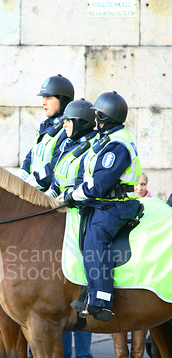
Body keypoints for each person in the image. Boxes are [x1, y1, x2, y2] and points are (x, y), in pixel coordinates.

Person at [62, 91, 142, 322]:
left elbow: (99, 184)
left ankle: (101, 302)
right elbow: (85, 173)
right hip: (102, 202)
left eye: (97, 114)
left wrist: (74, 195)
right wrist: (71, 193)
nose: (94, 119)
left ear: (104, 118)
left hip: (115, 206)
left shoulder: (117, 145)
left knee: (96, 239)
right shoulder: (104, 140)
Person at [45, 98, 98, 358]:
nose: (63, 124)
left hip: (78, 216)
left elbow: (83, 185)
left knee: (81, 282)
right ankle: (63, 356)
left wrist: (64, 198)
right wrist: (44, 199)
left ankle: (84, 357)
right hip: (58, 215)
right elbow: (56, 181)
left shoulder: (91, 149)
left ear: (79, 124)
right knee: (56, 291)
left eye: (68, 120)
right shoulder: (66, 147)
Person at [112, 172, 152, 358]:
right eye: (136, 184)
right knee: (118, 313)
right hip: (123, 264)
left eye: (143, 184)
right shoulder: (119, 204)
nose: (139, 188)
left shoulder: (153, 208)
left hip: (144, 267)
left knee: (141, 316)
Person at [16, 74, 74, 191]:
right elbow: (33, 154)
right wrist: (21, 175)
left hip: (48, 194)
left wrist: (30, 184)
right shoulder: (45, 125)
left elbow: (55, 165)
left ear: (63, 100)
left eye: (49, 98)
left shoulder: (68, 129)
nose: (44, 102)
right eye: (43, 98)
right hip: (34, 190)